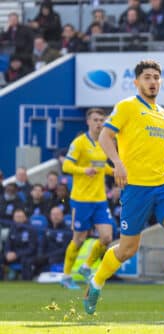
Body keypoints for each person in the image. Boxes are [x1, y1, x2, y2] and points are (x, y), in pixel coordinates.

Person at [83, 60, 164, 324]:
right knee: (126, 249)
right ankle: (97, 281)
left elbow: (157, 147)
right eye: (147, 77)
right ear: (137, 82)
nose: (152, 81)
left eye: (156, 77)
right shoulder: (127, 107)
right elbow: (104, 137)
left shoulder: (163, 113)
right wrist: (118, 163)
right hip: (136, 187)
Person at [61, 108, 114, 290]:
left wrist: (115, 172)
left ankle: (85, 267)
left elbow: (101, 165)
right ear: (88, 122)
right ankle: (66, 276)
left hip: (99, 200)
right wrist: (84, 170)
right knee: (79, 239)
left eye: (102, 120)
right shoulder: (79, 143)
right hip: (81, 199)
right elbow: (67, 165)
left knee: (107, 237)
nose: (99, 123)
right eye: (96, 120)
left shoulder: (104, 142)